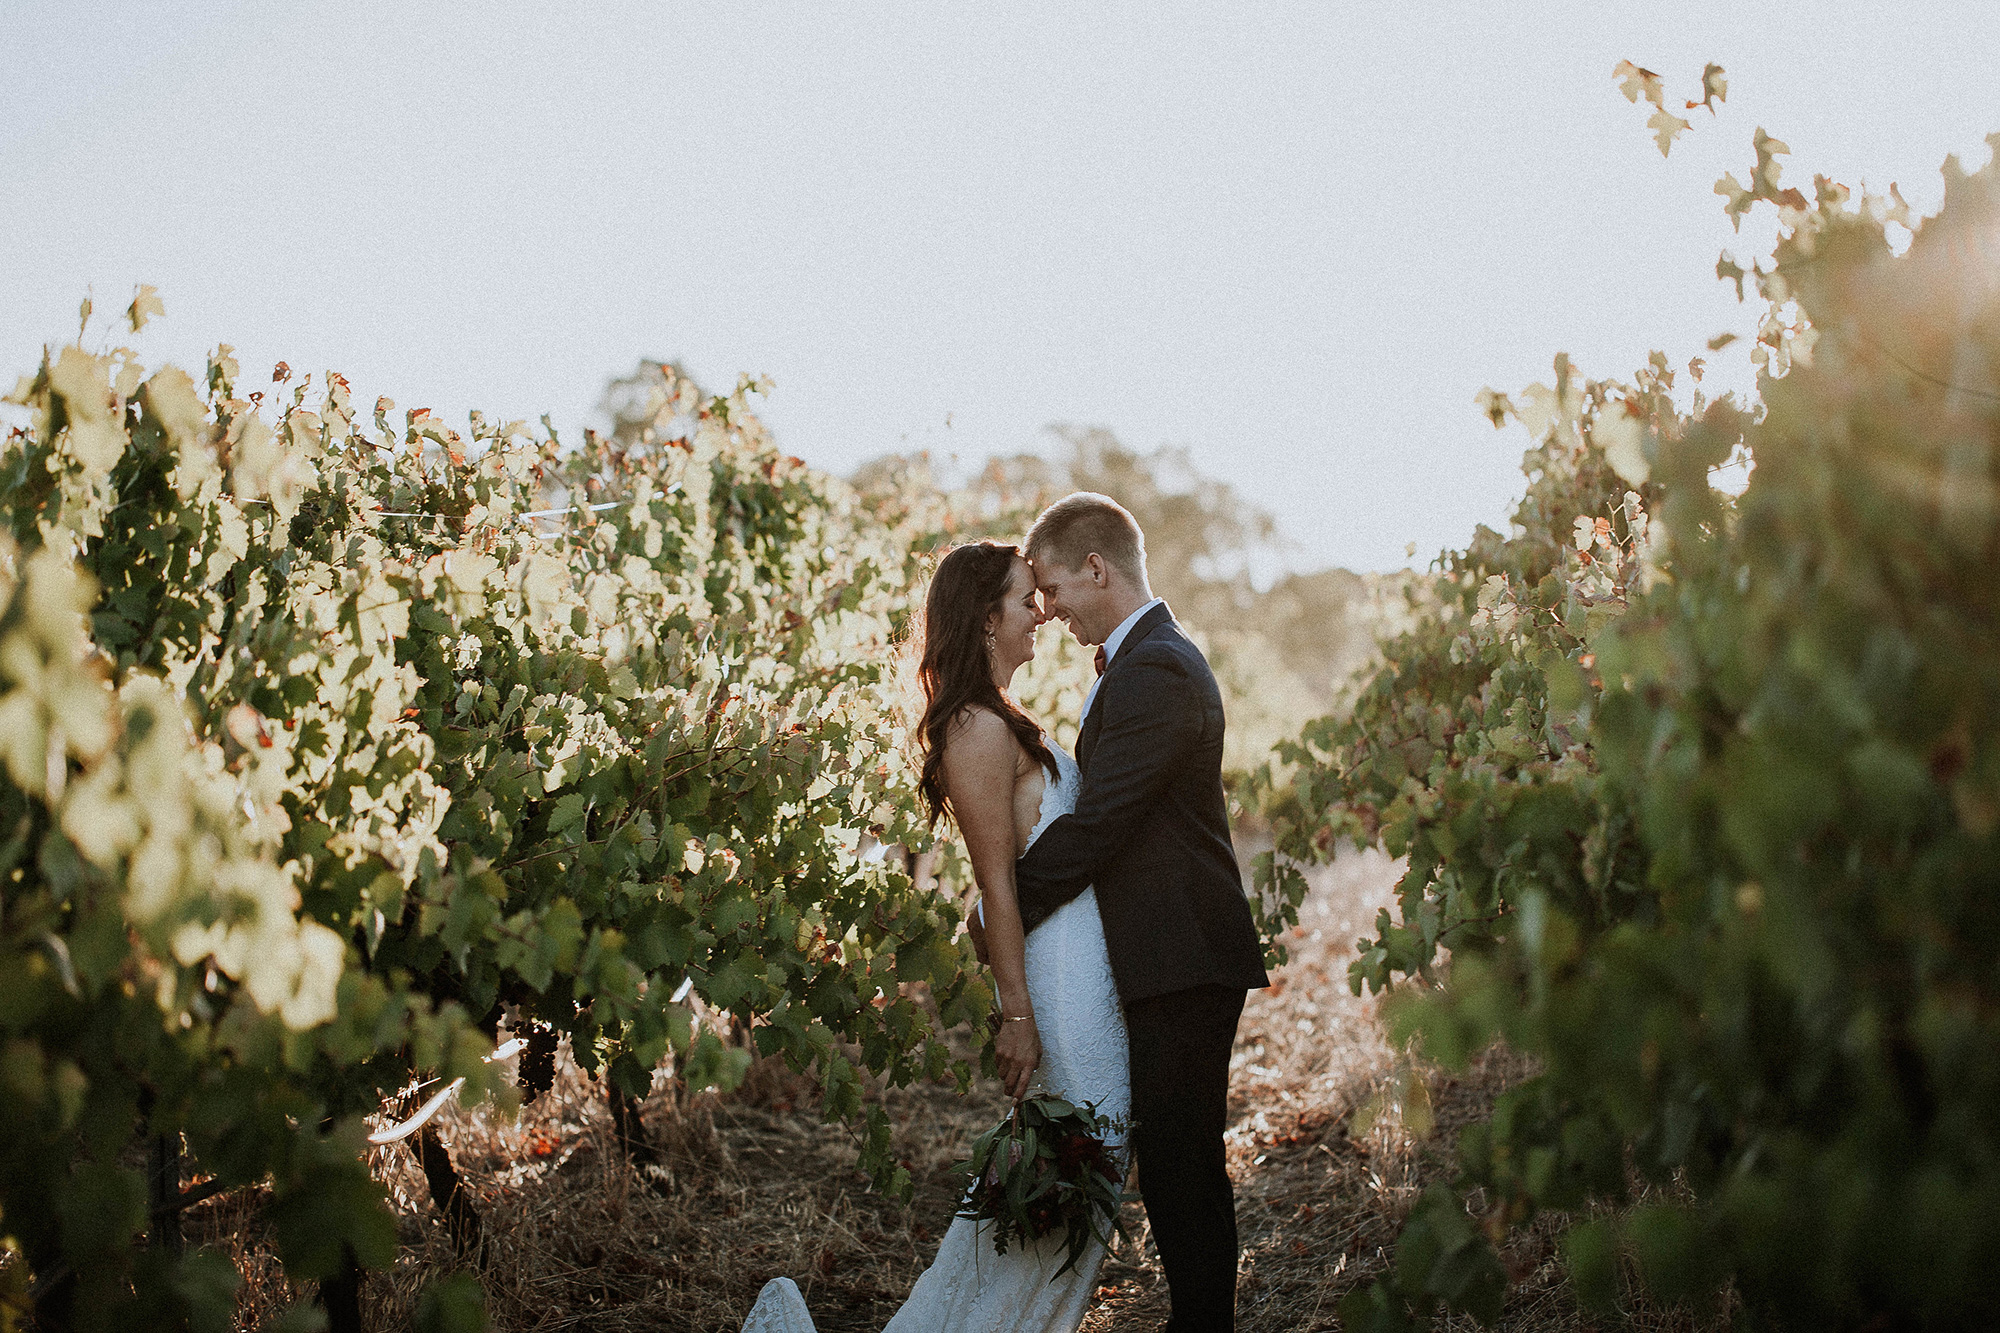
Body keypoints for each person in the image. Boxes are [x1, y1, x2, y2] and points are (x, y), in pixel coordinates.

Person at [740, 539, 1131, 1333]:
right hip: (1055, 988)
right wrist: (1016, 1014)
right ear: (987, 617)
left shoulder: (1001, 716)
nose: (1042, 614)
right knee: (1073, 1175)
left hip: (1084, 976)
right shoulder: (974, 727)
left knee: (1085, 1178)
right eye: (1028, 600)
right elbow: (995, 885)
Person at [1013, 492, 1269, 1333]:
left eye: (1052, 587)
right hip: (1171, 949)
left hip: (1185, 951)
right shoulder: (1143, 658)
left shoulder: (1157, 666)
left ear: (1098, 567)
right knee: (1173, 1159)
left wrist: (1000, 910)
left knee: (1181, 1161)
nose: (1046, 610)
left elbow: (1102, 823)